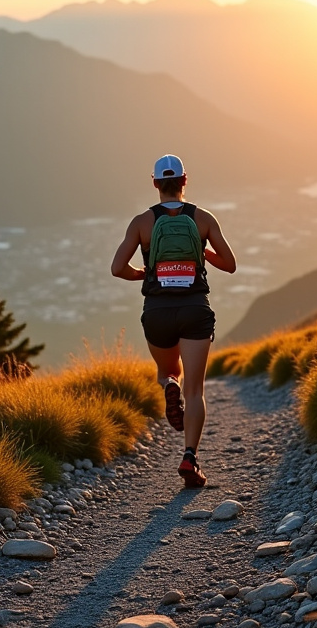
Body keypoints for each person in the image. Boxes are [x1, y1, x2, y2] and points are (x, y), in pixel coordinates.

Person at [110, 154, 237, 488]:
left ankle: (168, 386)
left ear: (155, 183)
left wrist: (145, 273)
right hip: (195, 308)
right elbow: (230, 263)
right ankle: (190, 458)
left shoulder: (142, 222)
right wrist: (202, 250)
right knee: (195, 391)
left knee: (168, 372)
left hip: (157, 311)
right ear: (184, 181)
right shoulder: (203, 219)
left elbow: (117, 268)